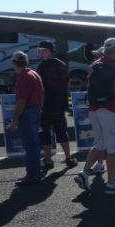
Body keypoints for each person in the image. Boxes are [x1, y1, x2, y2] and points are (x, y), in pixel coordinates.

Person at [73, 37, 115, 195]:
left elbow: (89, 86)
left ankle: (84, 173)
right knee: (113, 148)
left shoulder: (94, 65)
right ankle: (111, 183)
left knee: (99, 144)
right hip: (110, 109)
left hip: (94, 109)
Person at [36, 40, 77, 170]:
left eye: (39, 49)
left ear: (45, 50)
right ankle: (69, 158)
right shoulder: (62, 64)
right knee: (62, 132)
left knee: (45, 133)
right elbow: (68, 84)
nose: (38, 51)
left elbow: (40, 88)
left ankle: (48, 160)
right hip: (60, 104)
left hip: (47, 104)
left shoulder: (42, 67)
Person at [8, 51, 44, 185]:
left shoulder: (23, 77)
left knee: (29, 145)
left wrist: (14, 121)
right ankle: (35, 172)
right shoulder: (34, 74)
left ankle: (32, 174)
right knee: (34, 144)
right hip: (35, 109)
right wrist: (39, 109)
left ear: (14, 63)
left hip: (27, 111)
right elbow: (42, 94)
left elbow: (21, 101)